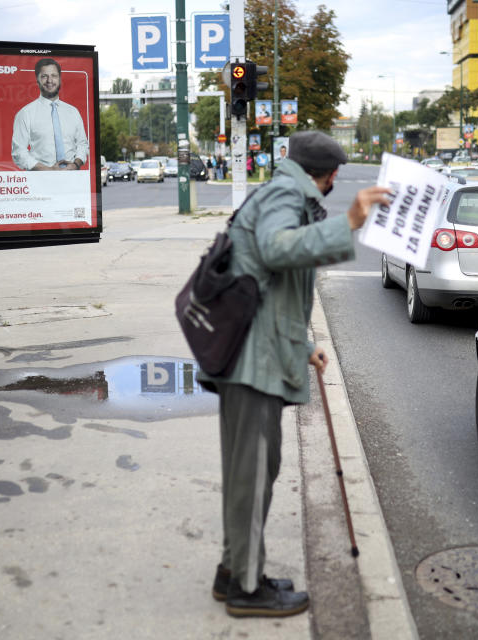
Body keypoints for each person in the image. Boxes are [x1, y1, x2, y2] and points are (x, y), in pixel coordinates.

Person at [197, 131, 390, 618]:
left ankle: (233, 571)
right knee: (253, 476)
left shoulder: (281, 191)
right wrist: (348, 222)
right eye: (334, 176)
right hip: (251, 364)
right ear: (323, 175)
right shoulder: (286, 194)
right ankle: (246, 589)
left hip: (253, 354)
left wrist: (303, 346)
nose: (336, 183)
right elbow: (277, 249)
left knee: (252, 475)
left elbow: (269, 286)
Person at [11, 58, 89, 171]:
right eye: (44, 76)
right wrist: (48, 170)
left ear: (60, 79)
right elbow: (19, 152)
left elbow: (82, 144)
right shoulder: (25, 114)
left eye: (54, 75)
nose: (49, 80)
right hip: (39, 182)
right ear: (37, 79)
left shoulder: (73, 112)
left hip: (72, 179)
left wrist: (76, 164)